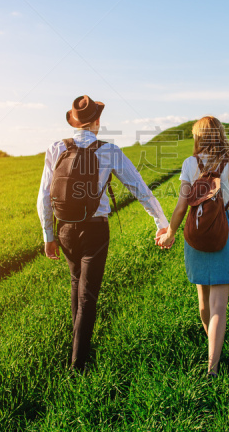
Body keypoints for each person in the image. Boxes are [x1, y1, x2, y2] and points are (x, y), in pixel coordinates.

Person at [37, 95, 169, 371]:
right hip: (95, 229)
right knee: (88, 296)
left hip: (65, 229)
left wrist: (49, 236)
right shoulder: (109, 151)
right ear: (97, 122)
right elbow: (139, 189)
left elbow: (44, 197)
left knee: (76, 287)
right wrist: (161, 222)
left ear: (74, 122)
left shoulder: (57, 148)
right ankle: (79, 364)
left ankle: (77, 350)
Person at [157, 116, 229, 377]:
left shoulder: (190, 164)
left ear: (199, 136)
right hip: (225, 231)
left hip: (197, 232)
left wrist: (170, 233)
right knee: (219, 305)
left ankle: (213, 345)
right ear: (220, 134)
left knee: (204, 300)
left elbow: (180, 207)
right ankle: (213, 367)